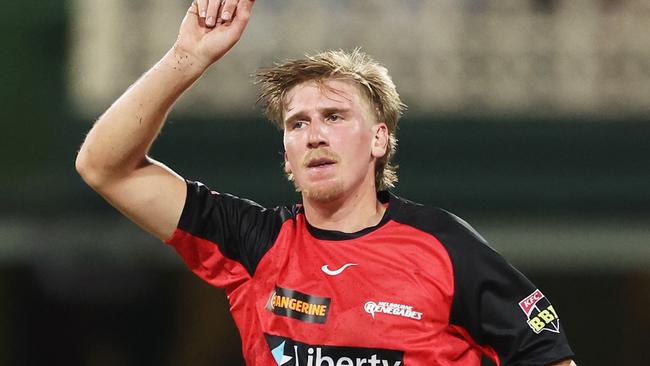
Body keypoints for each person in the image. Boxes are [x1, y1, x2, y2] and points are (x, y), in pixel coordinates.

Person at [75, 0, 576, 365]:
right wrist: (188, 57)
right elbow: (105, 167)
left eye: (335, 116)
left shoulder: (446, 247)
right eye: (297, 123)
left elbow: (548, 356)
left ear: (380, 139)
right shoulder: (253, 243)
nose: (315, 135)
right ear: (287, 159)